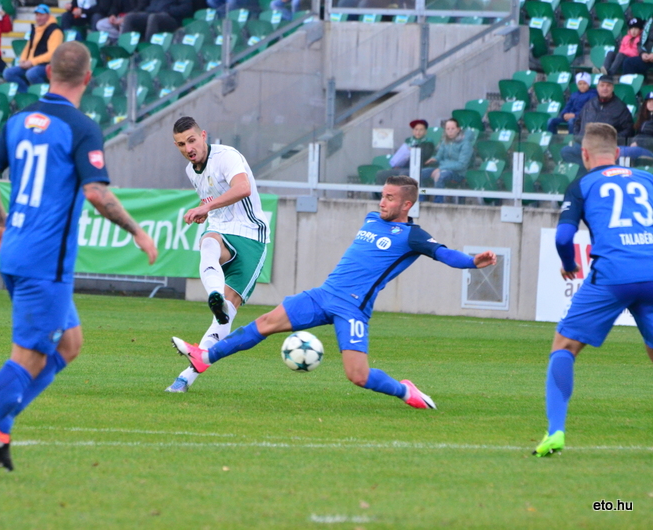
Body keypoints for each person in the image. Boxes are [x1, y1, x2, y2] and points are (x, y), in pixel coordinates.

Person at [0, 42, 158, 478]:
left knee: (69, 343)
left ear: (49, 74)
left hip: (17, 252)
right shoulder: (81, 127)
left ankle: (0, 427)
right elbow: (95, 192)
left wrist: (1, 221)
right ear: (88, 79)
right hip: (45, 262)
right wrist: (136, 230)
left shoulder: (19, 119)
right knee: (28, 357)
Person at [173, 175, 497, 409]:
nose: (382, 202)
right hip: (323, 295)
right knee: (266, 322)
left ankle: (404, 390)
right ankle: (204, 358)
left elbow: (444, 254)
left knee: (357, 376)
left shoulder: (412, 236)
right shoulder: (371, 218)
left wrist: (472, 261)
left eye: (390, 198)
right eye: (382, 195)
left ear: (407, 204)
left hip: (352, 310)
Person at [533, 123, 653, 457]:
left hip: (614, 274)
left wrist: (570, 263)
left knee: (565, 346)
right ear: (618, 153)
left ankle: (555, 432)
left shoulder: (582, 184)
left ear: (585, 155)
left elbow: (561, 237)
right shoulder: (648, 179)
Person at [165, 116, 271, 393]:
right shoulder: (192, 171)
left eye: (191, 140)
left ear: (203, 135)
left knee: (225, 317)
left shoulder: (227, 156)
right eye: (180, 144)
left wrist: (205, 208)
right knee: (208, 242)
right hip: (222, 230)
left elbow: (242, 188)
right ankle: (216, 297)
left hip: (251, 236)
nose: (188, 148)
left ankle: (185, 378)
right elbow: (211, 196)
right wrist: (205, 208)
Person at [560, 75, 652, 175]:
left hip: (605, 148)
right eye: (602, 85)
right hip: (586, 144)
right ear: (597, 88)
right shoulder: (589, 104)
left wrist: (610, 141)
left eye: (608, 85)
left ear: (612, 88)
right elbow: (577, 122)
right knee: (566, 151)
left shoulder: (620, 107)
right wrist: (579, 137)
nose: (605, 88)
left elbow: (628, 130)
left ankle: (594, 175)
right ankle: (588, 175)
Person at [3, 4, 63, 93]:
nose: (38, 18)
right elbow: (28, 47)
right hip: (32, 64)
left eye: (41, 15)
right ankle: (28, 95)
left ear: (48, 16)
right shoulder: (36, 29)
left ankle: (44, 96)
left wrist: (32, 62)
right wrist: (23, 60)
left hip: (48, 65)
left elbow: (52, 54)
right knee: (8, 73)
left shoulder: (55, 31)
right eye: (37, 15)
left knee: (32, 73)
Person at [420, 118, 473, 203]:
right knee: (420, 174)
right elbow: (439, 156)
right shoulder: (445, 141)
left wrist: (441, 168)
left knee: (441, 176)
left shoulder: (465, 144)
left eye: (453, 129)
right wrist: (435, 159)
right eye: (447, 129)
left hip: (458, 173)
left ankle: (438, 202)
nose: (450, 131)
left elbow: (462, 165)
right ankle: (422, 197)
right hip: (442, 168)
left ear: (458, 129)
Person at [376, 118, 435, 183]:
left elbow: (425, 156)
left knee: (402, 175)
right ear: (413, 131)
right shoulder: (408, 141)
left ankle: (402, 193)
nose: (418, 132)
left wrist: (413, 151)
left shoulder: (428, 143)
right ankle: (383, 193)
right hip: (402, 167)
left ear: (425, 131)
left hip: (417, 169)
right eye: (416, 129)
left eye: (421, 130)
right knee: (381, 174)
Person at [120, 0, 193, 43]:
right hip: (152, 13)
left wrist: (168, 10)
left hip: (171, 18)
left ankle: (149, 49)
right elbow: (149, 6)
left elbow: (186, 8)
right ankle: (124, 50)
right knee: (130, 17)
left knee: (153, 17)